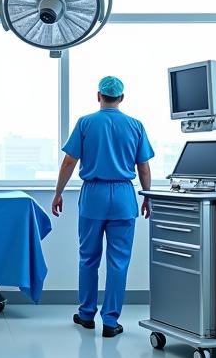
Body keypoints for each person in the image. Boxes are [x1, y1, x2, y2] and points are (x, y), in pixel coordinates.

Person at [52, 76, 154, 336]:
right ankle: (110, 321)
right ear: (122, 98)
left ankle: (86, 314)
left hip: (93, 195)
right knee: (119, 261)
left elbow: (68, 162)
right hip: (123, 196)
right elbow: (143, 166)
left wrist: (58, 193)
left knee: (88, 258)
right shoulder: (135, 125)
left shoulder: (86, 123)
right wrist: (148, 197)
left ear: (98, 96)